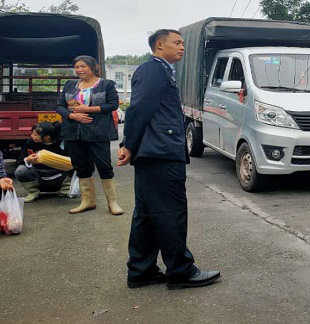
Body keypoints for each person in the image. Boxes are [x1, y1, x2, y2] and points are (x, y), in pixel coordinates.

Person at [118, 29, 220, 290]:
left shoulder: (161, 70)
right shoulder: (154, 69)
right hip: (160, 153)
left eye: (183, 43)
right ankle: (181, 271)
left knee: (148, 215)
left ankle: (141, 271)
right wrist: (128, 143)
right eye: (177, 42)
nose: (182, 47)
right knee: (170, 212)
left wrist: (131, 144)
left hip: (154, 152)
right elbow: (139, 109)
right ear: (160, 45)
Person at [56, 55, 122, 215]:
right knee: (81, 166)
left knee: (104, 165)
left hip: (98, 132)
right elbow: (60, 106)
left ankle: (112, 203)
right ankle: (87, 201)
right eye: (77, 67)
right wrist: (72, 116)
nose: (79, 70)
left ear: (93, 67)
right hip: (73, 132)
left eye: (83, 66)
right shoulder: (70, 85)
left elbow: (112, 105)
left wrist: (87, 110)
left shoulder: (106, 85)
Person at [14, 122, 73, 202]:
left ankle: (66, 189)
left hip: (60, 177)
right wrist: (27, 159)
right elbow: (19, 161)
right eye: (32, 134)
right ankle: (33, 192)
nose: (32, 136)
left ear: (47, 137)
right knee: (20, 170)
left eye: (35, 135)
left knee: (78, 164)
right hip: (38, 177)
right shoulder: (31, 142)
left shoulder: (63, 143)